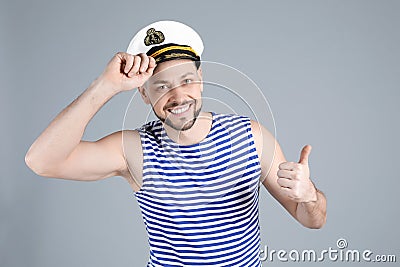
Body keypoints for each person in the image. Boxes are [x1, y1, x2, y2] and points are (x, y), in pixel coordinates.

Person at [25, 20, 326, 266]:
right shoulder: (134, 151)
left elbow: (313, 220)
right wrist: (104, 86)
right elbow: (41, 162)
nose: (179, 96)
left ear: (201, 77)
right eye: (162, 86)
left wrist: (309, 196)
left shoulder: (252, 136)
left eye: (186, 80)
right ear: (143, 94)